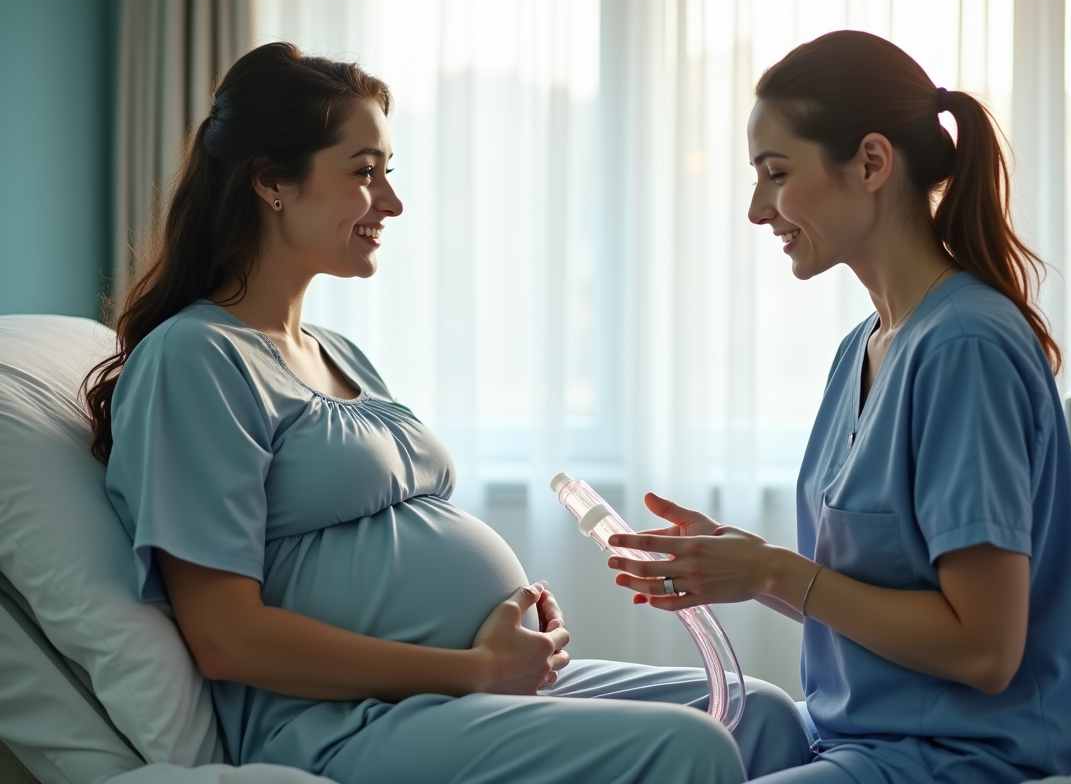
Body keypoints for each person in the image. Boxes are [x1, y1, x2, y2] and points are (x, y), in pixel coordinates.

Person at [86, 42, 807, 784]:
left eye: (388, 173)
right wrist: (473, 667)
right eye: (364, 173)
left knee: (764, 715)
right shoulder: (196, 358)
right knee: (694, 748)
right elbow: (225, 638)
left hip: (457, 688)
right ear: (272, 182)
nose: (390, 202)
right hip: (347, 719)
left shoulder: (339, 353)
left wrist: (500, 642)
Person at [607, 31, 1071, 784]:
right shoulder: (869, 344)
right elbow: (887, 593)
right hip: (864, 738)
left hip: (966, 757)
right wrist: (743, 564)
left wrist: (776, 573)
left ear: (872, 163)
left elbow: (984, 649)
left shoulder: (963, 347)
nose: (755, 209)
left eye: (776, 173)